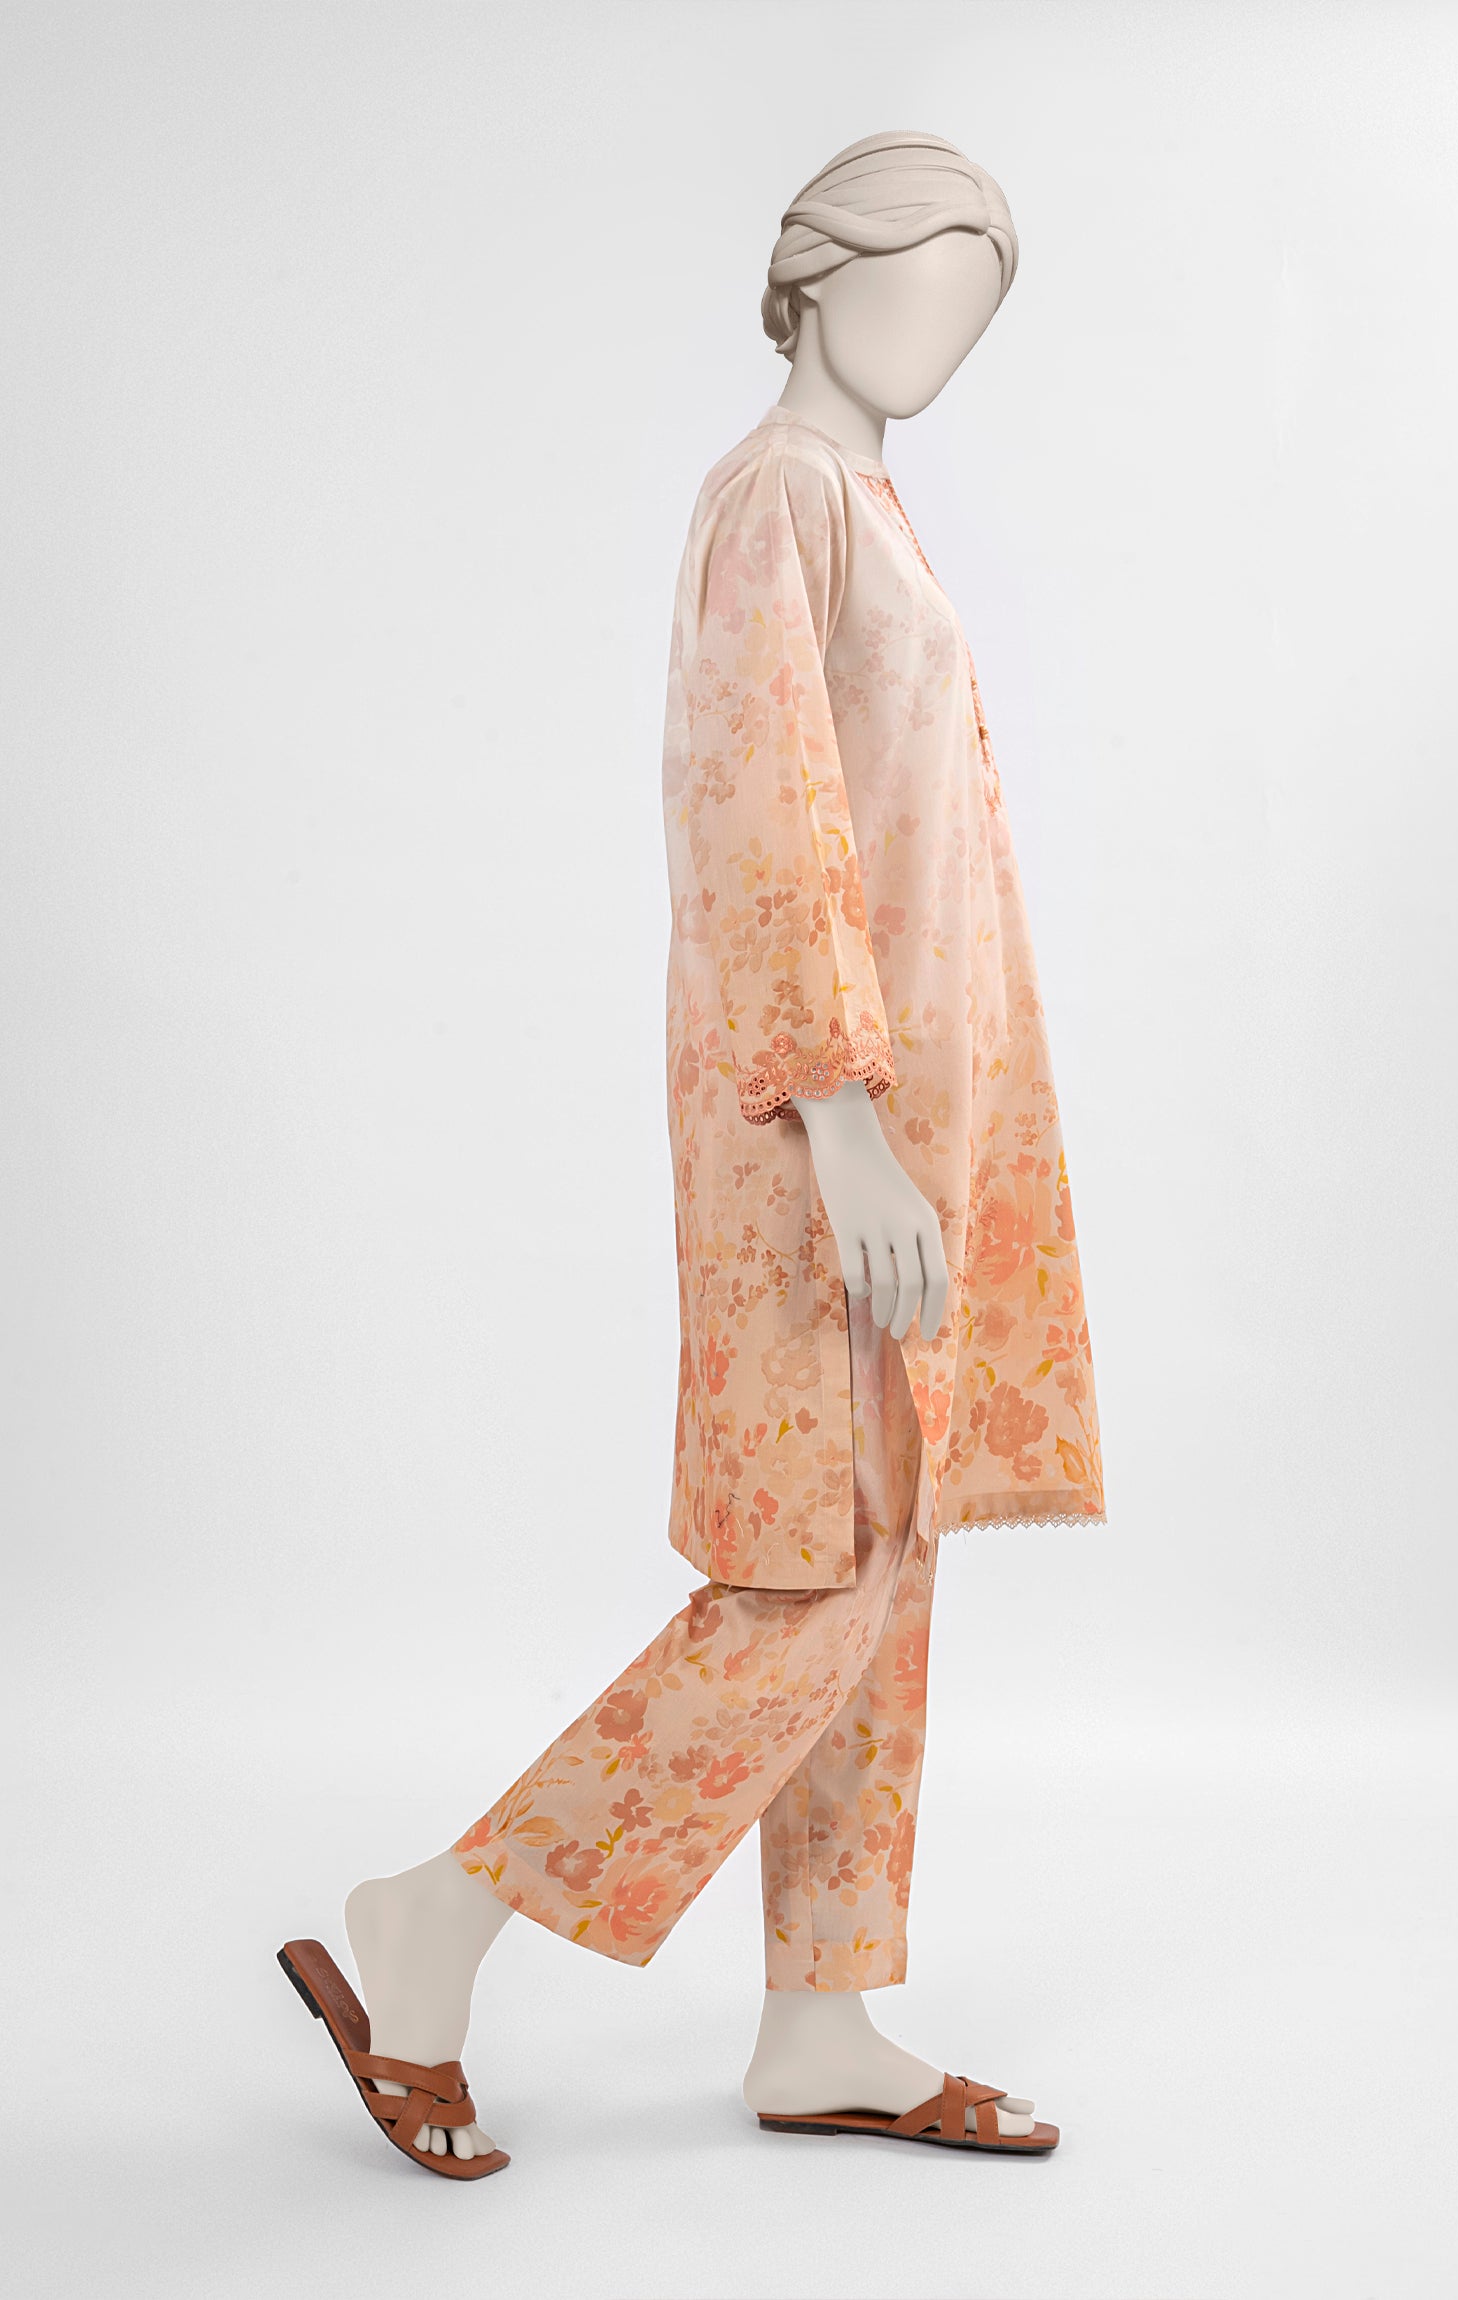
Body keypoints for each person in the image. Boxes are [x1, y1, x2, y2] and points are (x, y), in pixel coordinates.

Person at [279, 129, 1104, 2179]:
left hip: (905, 1127)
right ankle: (439, 1914)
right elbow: (759, 808)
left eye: (973, 309)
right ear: (811, 278)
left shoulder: (868, 505)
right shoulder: (777, 496)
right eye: (912, 283)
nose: (939, 334)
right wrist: (843, 1120)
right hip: (819, 1134)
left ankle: (823, 2014)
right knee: (809, 1568)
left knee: (886, 1557)